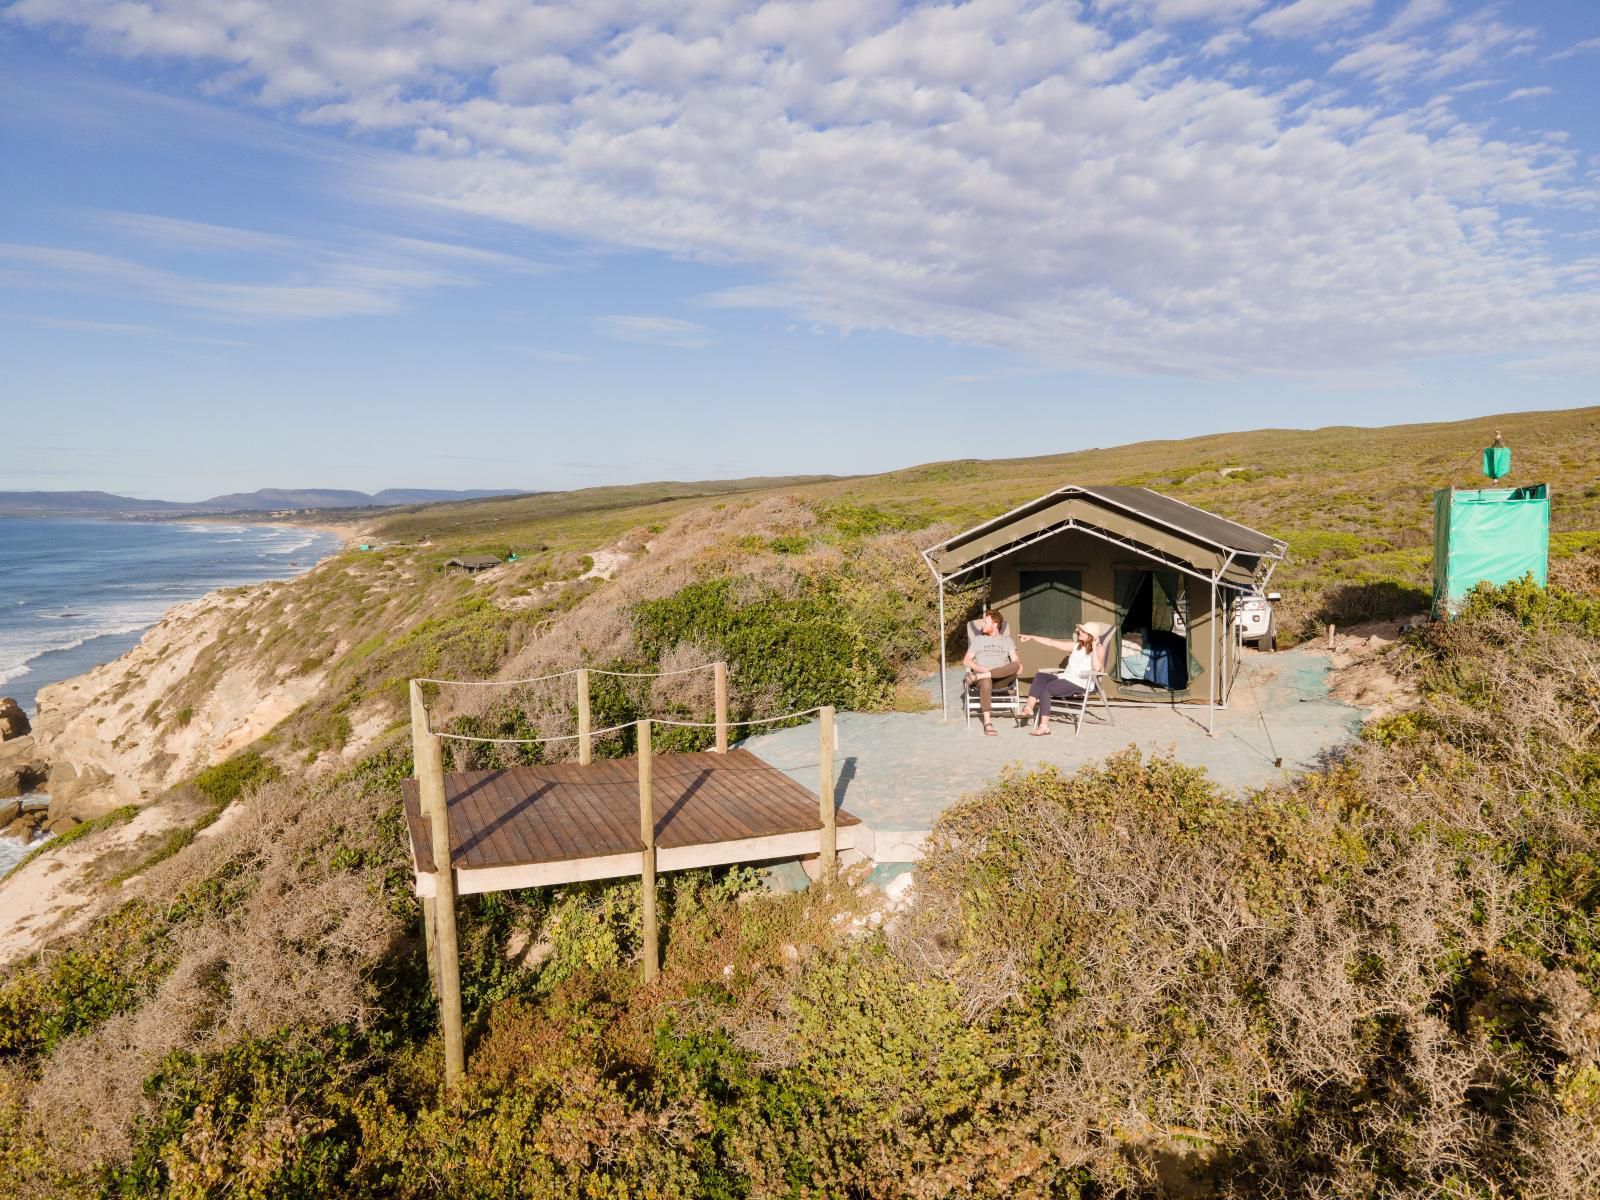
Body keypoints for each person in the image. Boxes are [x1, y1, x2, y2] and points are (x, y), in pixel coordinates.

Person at [1017, 625, 1096, 735]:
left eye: (1082, 631)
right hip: (1065, 677)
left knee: (1047, 688)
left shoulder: (1098, 649)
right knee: (1041, 676)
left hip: (1080, 682)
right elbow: (1051, 642)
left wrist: (1095, 647)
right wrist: (1032, 637)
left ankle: (1044, 726)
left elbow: (1098, 668)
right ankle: (1029, 707)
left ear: (1091, 635)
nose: (1078, 632)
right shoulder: (1075, 646)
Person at [962, 610, 1019, 735]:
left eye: (985, 622)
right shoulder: (978, 640)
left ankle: (984, 675)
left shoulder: (1007, 640)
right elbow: (966, 661)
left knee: (1016, 665)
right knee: (987, 681)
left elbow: (1015, 660)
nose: (981, 625)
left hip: (1000, 680)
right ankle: (987, 722)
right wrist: (983, 670)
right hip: (982, 680)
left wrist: (1018, 665)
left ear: (995, 624)